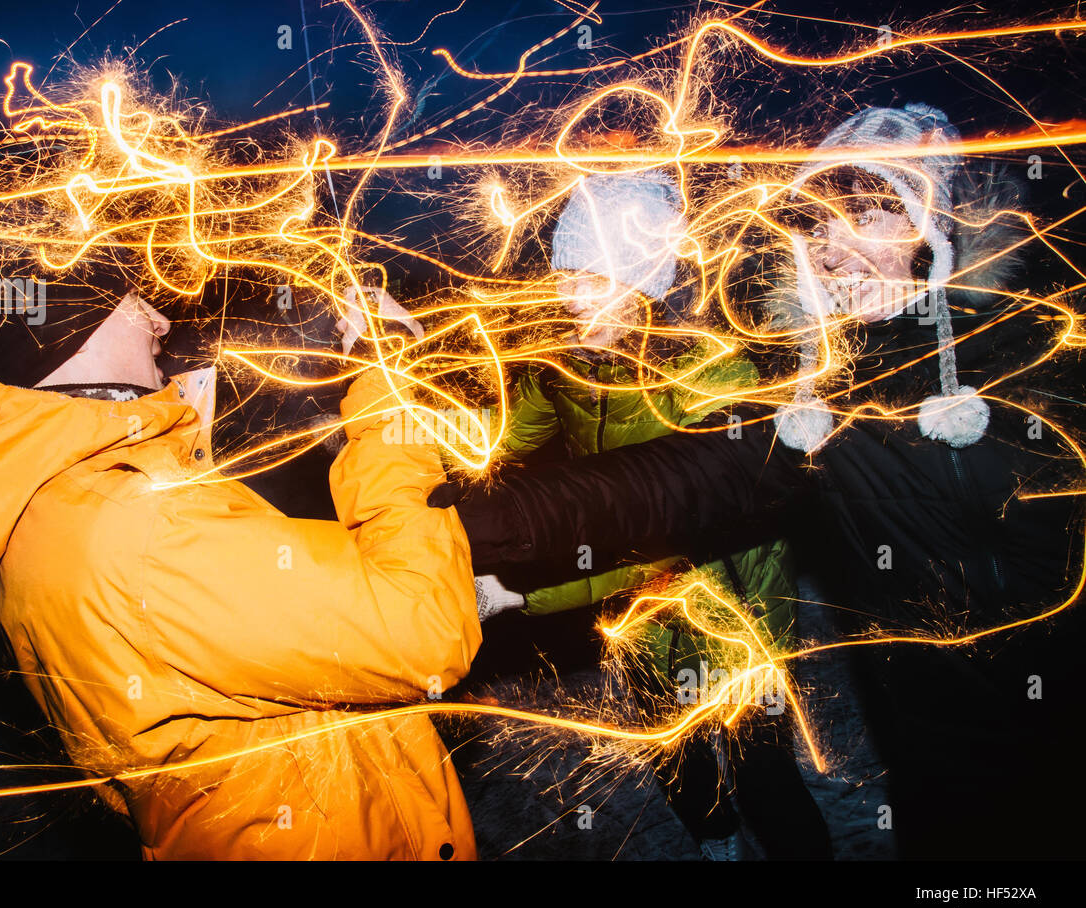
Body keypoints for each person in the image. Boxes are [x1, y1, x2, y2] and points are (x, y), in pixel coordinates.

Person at [435, 103, 1082, 857]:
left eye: (873, 211)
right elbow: (677, 484)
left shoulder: (1037, 366)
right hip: (922, 732)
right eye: (819, 223)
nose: (835, 249)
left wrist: (525, 585)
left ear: (933, 226)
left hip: (1043, 726)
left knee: (770, 770)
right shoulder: (819, 394)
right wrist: (473, 524)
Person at [0, 260, 482, 859]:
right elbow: (424, 627)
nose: (159, 319)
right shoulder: (143, 528)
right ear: (68, 337)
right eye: (130, 303)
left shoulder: (43, 506)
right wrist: (384, 388)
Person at [473, 169, 830, 859]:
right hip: (638, 620)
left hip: (731, 618)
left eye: (598, 280)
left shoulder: (710, 381)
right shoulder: (564, 367)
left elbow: (660, 536)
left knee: (765, 780)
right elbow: (494, 437)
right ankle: (717, 847)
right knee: (678, 760)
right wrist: (390, 398)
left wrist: (519, 589)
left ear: (647, 286)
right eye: (567, 274)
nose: (574, 299)